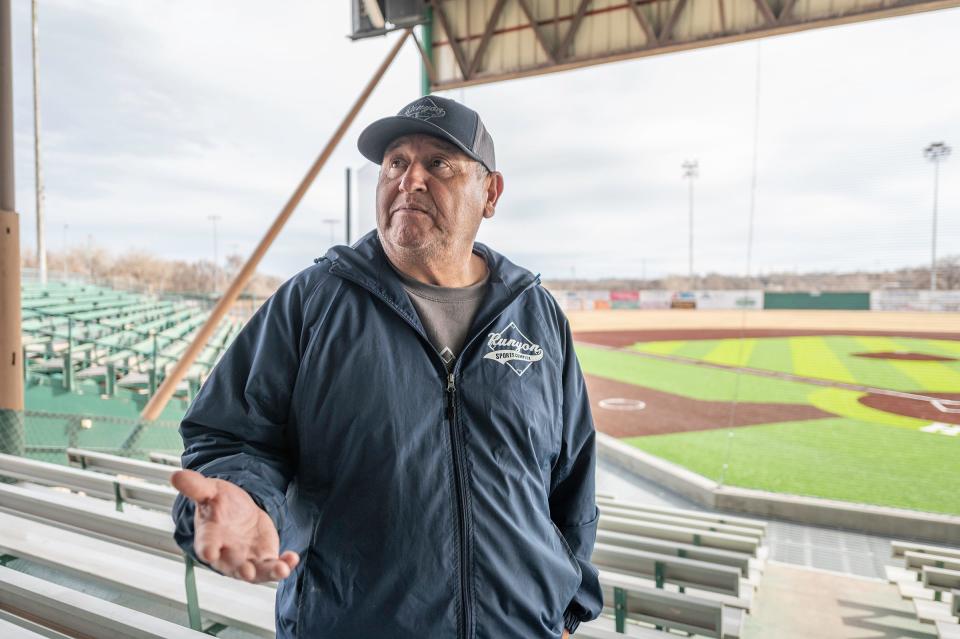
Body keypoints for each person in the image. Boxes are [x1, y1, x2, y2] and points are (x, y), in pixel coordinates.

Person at [170, 95, 603, 639]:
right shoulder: (313, 301)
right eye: (396, 163)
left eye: (438, 164)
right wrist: (243, 497)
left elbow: (571, 477)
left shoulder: (536, 315)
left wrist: (566, 607)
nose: (410, 179)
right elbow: (234, 438)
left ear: (490, 193)